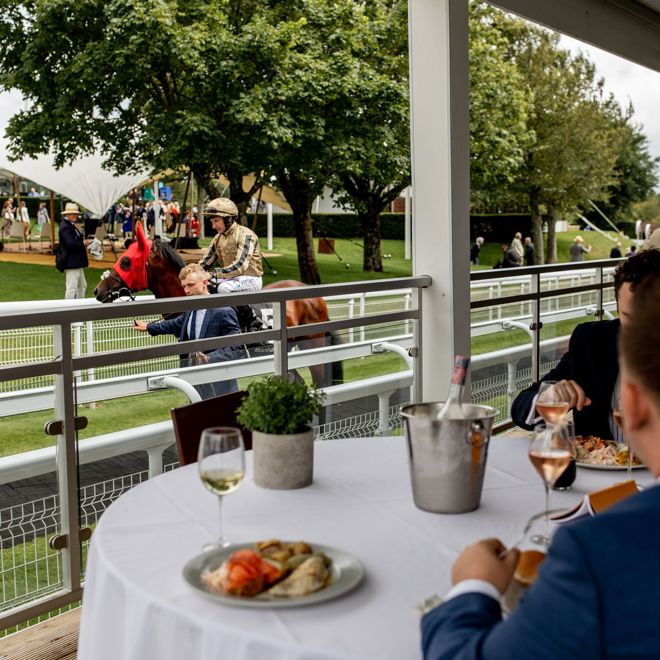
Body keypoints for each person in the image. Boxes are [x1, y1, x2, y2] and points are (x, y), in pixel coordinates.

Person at [421, 268, 660, 660]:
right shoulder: (593, 340)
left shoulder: (597, 554)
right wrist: (550, 395)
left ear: (629, 407)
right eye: (629, 320)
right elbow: (525, 404)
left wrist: (474, 587)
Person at [511, 248, 660, 440]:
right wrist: (547, 399)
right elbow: (521, 409)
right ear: (617, 307)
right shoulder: (591, 340)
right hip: (597, 467)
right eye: (630, 317)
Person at [133, 264, 247, 399]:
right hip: (195, 382)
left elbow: (236, 346)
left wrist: (210, 358)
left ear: (205, 283)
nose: (186, 290)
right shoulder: (190, 309)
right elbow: (175, 324)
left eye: (190, 285)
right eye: (184, 286)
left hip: (220, 386)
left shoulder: (224, 311)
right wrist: (149, 327)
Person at [199, 197, 263, 292]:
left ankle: (247, 308)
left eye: (216, 221)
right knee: (201, 285)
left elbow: (240, 266)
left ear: (228, 219)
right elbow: (204, 263)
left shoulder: (246, 235)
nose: (213, 226)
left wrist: (213, 274)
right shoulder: (217, 238)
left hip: (250, 279)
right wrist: (192, 272)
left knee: (223, 288)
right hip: (229, 278)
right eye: (212, 222)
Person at [58, 202, 90, 299]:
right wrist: (83, 243)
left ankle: (80, 306)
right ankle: (69, 309)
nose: (76, 215)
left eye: (76, 213)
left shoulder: (70, 225)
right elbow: (70, 244)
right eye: (73, 213)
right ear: (67, 214)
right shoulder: (65, 227)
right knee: (72, 287)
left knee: (82, 286)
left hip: (76, 261)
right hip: (71, 261)